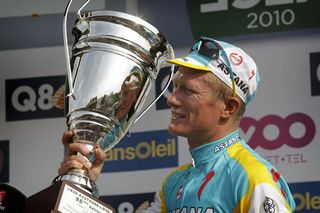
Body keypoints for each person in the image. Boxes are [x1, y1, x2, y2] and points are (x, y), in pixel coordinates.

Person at [58, 36, 296, 212]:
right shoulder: (174, 183)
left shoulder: (252, 177)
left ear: (229, 107)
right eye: (175, 87)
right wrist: (84, 185)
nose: (172, 99)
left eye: (188, 91)